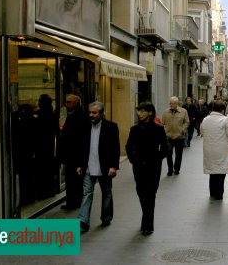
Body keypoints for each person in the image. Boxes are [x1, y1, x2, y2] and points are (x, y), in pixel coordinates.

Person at [126, 102, 168, 236]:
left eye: (142, 111)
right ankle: (146, 219)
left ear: (150, 112)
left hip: (153, 167)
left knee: (150, 194)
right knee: (141, 193)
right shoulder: (134, 129)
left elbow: (165, 147)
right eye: (138, 111)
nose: (139, 113)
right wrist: (133, 160)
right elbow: (128, 146)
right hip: (138, 166)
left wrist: (158, 159)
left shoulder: (158, 128)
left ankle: (147, 224)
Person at [77, 101, 120, 232]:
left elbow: (115, 148)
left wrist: (113, 166)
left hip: (105, 167)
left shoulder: (111, 127)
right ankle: (83, 221)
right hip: (88, 167)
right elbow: (80, 148)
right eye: (90, 112)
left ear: (102, 113)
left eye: (94, 113)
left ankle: (106, 217)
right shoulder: (84, 126)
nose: (91, 115)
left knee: (106, 193)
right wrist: (79, 164)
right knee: (86, 194)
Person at [200, 99, 228, 199]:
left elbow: (202, 132)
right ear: (223, 110)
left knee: (212, 172)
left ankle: (212, 193)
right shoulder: (225, 120)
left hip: (209, 149)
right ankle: (219, 194)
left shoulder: (205, 120)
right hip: (221, 149)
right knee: (221, 172)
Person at [59, 94, 86, 210]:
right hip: (71, 153)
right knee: (71, 179)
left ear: (75, 103)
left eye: (68, 102)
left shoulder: (79, 116)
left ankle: (74, 201)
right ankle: (72, 201)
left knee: (74, 180)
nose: (66, 104)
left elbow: (78, 138)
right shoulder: (72, 115)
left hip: (75, 154)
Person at [161, 97, 189, 176]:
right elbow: (162, 123)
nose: (171, 105)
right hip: (168, 137)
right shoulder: (166, 112)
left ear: (177, 104)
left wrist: (183, 130)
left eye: (172, 103)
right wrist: (164, 131)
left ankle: (177, 169)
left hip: (179, 136)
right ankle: (170, 169)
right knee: (168, 154)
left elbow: (187, 122)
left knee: (178, 155)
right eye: (170, 103)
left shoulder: (184, 111)